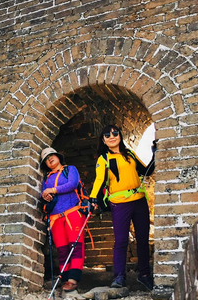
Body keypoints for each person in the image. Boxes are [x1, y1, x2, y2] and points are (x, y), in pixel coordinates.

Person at [90, 125, 155, 291]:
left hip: (139, 200)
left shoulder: (130, 154)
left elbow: (146, 171)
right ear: (103, 140)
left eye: (115, 133)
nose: (112, 136)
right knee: (121, 241)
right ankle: (119, 277)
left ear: (120, 135)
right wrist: (92, 198)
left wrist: (155, 153)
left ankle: (144, 275)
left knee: (142, 239)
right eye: (107, 135)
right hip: (119, 202)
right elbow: (99, 180)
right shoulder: (103, 158)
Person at [40, 147, 88, 293]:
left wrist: (52, 190)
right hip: (55, 218)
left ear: (58, 156)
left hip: (72, 213)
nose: (50, 159)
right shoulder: (46, 178)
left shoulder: (70, 169)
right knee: (61, 250)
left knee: (75, 246)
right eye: (46, 159)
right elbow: (43, 193)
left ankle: (73, 279)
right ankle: (65, 278)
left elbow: (72, 184)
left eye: (51, 155)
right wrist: (45, 196)